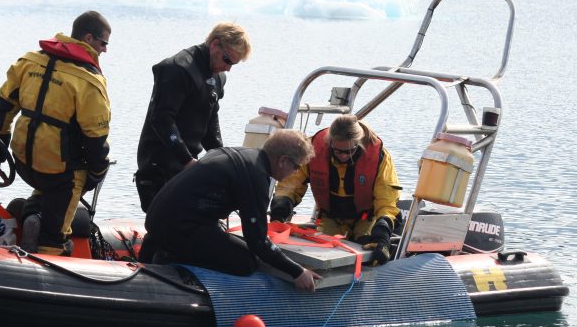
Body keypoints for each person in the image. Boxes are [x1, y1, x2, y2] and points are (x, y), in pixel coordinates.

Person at [0, 11, 112, 255]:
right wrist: (97, 172)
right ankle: (50, 244)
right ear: (88, 38)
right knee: (72, 186)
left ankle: (34, 212)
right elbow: (96, 138)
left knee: (51, 181)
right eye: (103, 43)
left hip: (23, 163)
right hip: (60, 171)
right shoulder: (88, 81)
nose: (105, 50)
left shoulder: (29, 61)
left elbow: (1, 107)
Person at [139, 129, 322, 292]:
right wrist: (297, 271)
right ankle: (172, 259)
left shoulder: (240, 155)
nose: (295, 173)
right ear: (283, 160)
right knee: (246, 262)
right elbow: (257, 242)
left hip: (158, 219)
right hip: (178, 228)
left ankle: (162, 246)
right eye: (297, 167)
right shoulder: (256, 177)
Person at [135, 22, 251, 212]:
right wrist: (186, 159)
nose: (228, 68)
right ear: (214, 44)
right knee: (167, 225)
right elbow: (162, 119)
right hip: (160, 164)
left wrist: (223, 159)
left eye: (234, 64)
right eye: (227, 60)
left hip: (188, 164)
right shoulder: (178, 68)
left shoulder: (218, 77)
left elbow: (210, 123)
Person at [270, 114, 401, 266]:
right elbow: (289, 185)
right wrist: (279, 212)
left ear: (358, 144)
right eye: (338, 151)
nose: (343, 156)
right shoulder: (314, 148)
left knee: (368, 255)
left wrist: (382, 235)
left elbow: (387, 202)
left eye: (348, 151)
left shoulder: (379, 156)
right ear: (330, 142)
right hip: (330, 217)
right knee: (318, 259)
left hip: (366, 219)